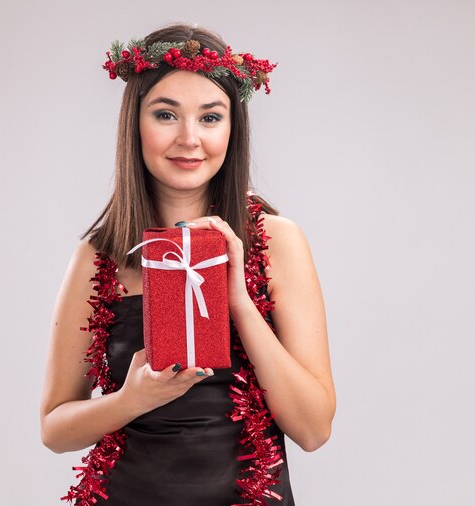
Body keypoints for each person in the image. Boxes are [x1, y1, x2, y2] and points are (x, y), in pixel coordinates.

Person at [40, 22, 336, 506]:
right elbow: (54, 429)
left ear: (232, 130)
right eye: (165, 114)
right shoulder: (100, 258)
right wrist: (130, 401)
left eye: (210, 117)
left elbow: (314, 428)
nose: (189, 138)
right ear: (134, 123)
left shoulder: (276, 242)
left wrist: (238, 299)